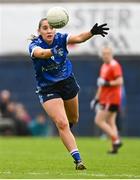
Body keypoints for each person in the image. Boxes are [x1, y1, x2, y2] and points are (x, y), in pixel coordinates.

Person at [28, 17, 109, 170]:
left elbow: (78, 38)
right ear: (39, 31)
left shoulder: (61, 38)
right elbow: (41, 54)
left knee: (73, 119)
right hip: (48, 88)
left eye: (51, 27)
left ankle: (65, 131)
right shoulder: (34, 45)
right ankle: (78, 160)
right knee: (62, 123)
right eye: (45, 28)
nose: (49, 30)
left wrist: (92, 32)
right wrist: (53, 51)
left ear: (55, 29)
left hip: (67, 83)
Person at [91, 47, 123, 154]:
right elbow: (101, 85)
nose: (105, 55)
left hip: (111, 98)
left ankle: (116, 139)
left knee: (99, 120)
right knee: (111, 122)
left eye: (107, 53)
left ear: (112, 54)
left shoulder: (114, 65)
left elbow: (120, 81)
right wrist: (96, 98)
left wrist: (107, 83)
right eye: (104, 54)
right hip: (105, 98)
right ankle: (115, 147)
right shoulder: (104, 66)